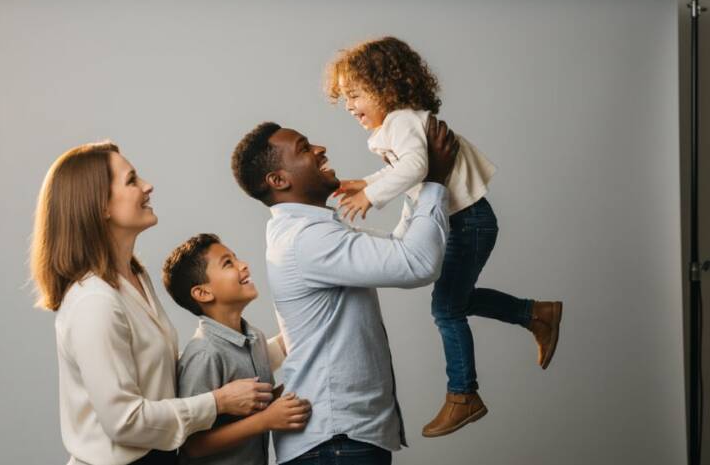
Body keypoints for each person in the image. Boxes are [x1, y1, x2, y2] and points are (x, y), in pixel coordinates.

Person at [324, 36, 564, 437]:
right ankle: (535, 314)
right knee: (456, 302)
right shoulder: (401, 124)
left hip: (467, 221)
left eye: (355, 94)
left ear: (386, 87)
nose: (349, 105)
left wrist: (371, 195)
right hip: (466, 220)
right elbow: (411, 174)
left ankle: (463, 395)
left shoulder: (400, 122)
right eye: (343, 97)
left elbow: (415, 169)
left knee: (446, 308)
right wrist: (364, 182)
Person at [30, 141, 274, 465]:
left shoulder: (134, 278)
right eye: (132, 180)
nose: (148, 186)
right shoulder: (94, 303)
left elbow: (161, 378)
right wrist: (216, 403)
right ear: (100, 205)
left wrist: (275, 348)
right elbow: (124, 422)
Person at [231, 116, 457, 465]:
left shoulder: (312, 232)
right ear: (278, 180)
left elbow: (401, 247)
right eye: (304, 148)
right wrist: (435, 181)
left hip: (340, 441)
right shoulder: (306, 240)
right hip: (335, 444)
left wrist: (414, 181)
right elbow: (417, 263)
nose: (320, 149)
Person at [162, 233, 312, 465]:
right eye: (228, 263)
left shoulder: (255, 338)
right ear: (203, 292)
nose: (244, 265)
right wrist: (266, 420)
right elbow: (193, 445)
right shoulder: (204, 354)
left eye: (236, 258)